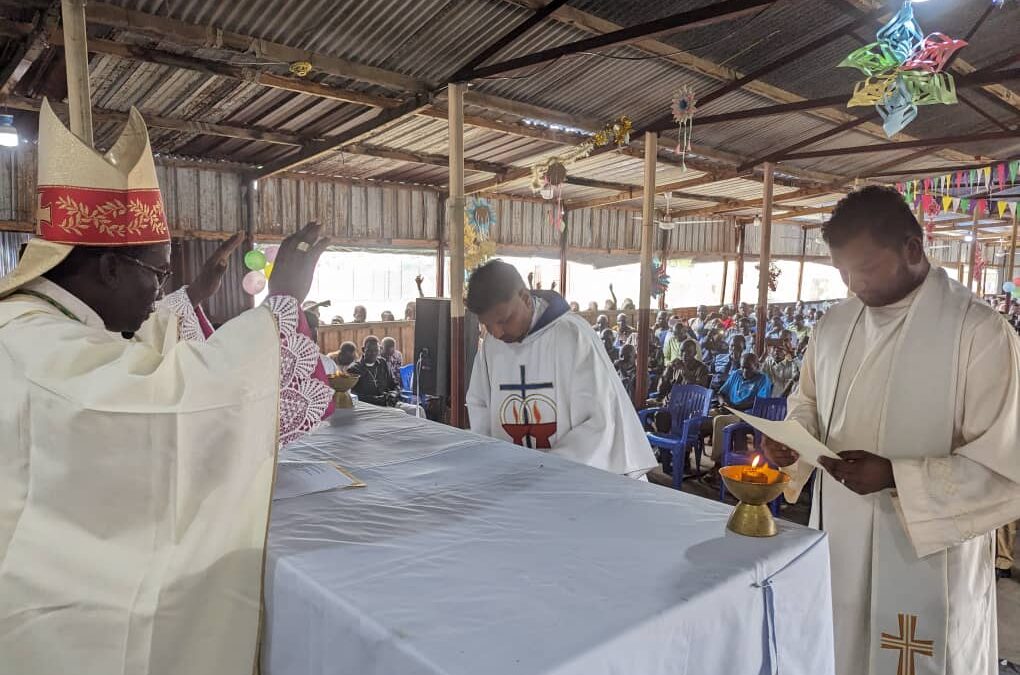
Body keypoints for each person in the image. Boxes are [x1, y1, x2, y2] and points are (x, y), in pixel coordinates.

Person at [0, 100, 334, 674]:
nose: (160, 293)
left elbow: (131, 348)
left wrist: (195, 295)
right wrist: (282, 303)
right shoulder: (36, 345)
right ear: (107, 270)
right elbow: (158, 403)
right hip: (57, 606)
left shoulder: (44, 321)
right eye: (156, 273)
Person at [762, 186, 1020, 675]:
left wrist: (897, 477)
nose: (853, 285)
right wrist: (789, 442)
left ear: (913, 249)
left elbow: (1005, 467)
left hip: (928, 554)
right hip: (838, 537)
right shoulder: (834, 326)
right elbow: (808, 404)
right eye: (842, 272)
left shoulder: (979, 333)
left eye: (865, 268)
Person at [465, 260, 656, 478]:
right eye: (487, 325)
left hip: (571, 480)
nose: (497, 333)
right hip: (513, 478)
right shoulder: (492, 345)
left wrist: (544, 471)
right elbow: (479, 403)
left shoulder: (573, 336)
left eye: (505, 320)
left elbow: (600, 422)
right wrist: (497, 463)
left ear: (526, 298)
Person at [710, 353, 772, 464]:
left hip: (747, 415)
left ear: (757, 366)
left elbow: (759, 402)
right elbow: (721, 393)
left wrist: (735, 407)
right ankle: (686, 454)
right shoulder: (736, 374)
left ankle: (718, 461)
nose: (744, 371)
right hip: (730, 409)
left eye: (748, 368)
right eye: (742, 367)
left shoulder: (762, 379)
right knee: (708, 415)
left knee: (720, 421)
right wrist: (723, 403)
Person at [349, 336, 401, 408]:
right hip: (368, 406)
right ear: (363, 350)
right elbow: (353, 395)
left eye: (376, 350)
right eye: (370, 350)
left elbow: (394, 384)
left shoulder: (383, 363)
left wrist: (394, 393)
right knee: (400, 412)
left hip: (388, 403)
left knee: (417, 409)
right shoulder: (354, 369)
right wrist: (376, 399)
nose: (373, 353)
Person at [655, 338, 710, 403]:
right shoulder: (676, 366)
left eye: (689, 352)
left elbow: (698, 392)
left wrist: (684, 371)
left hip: (690, 406)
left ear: (695, 353)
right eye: (682, 351)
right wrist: (667, 371)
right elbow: (660, 390)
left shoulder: (702, 369)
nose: (684, 354)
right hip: (670, 403)